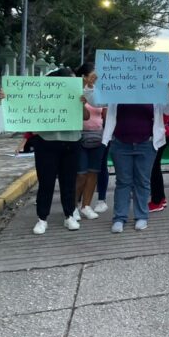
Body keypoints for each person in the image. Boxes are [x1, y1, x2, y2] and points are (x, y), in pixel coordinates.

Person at [1, 68, 85, 234]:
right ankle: (42, 219)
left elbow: (86, 116)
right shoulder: (45, 94)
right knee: (46, 182)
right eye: (71, 80)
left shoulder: (77, 95)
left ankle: (69, 215)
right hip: (46, 142)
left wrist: (82, 103)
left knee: (68, 182)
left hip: (71, 142)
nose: (75, 83)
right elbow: (24, 104)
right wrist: (6, 97)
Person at [84, 84, 169, 233]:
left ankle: (141, 216)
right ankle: (119, 217)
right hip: (121, 144)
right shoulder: (118, 86)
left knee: (143, 181)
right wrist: (89, 87)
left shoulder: (152, 88)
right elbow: (97, 101)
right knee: (123, 182)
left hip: (146, 144)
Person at [74, 63, 103, 220]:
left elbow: (103, 109)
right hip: (80, 136)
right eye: (92, 76)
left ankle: (86, 205)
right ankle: (73, 206)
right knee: (81, 174)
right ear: (84, 77)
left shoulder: (98, 92)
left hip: (98, 136)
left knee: (93, 173)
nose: (94, 79)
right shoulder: (76, 91)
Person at [148, 112, 169, 212]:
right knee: (155, 168)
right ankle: (160, 198)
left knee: (153, 168)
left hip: (159, 134)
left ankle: (157, 201)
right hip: (163, 133)